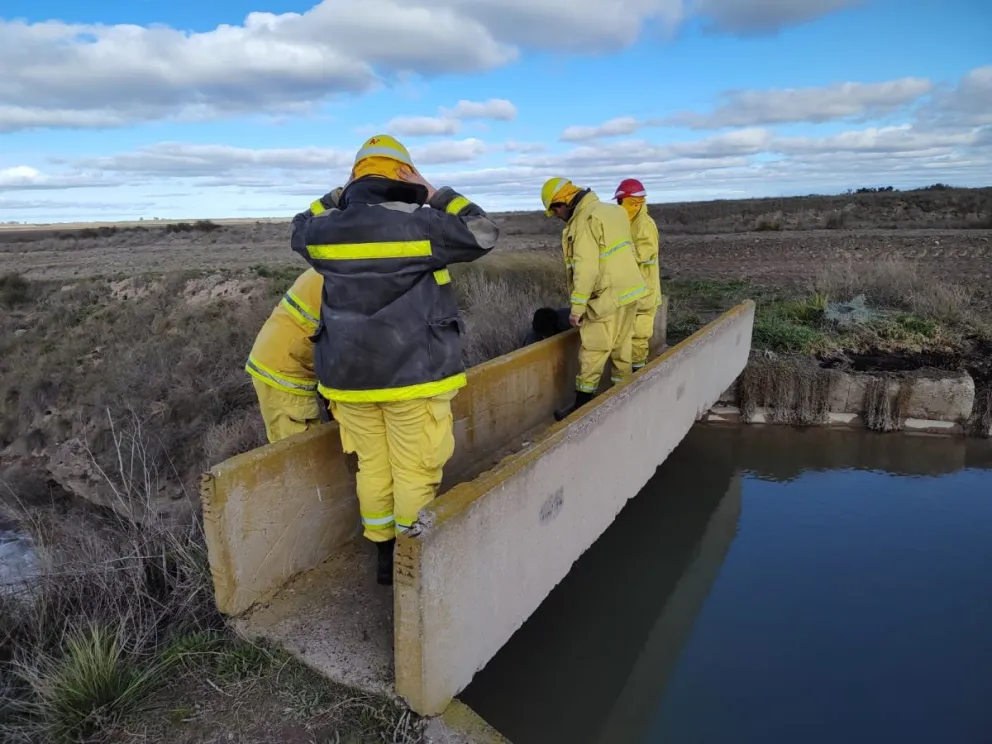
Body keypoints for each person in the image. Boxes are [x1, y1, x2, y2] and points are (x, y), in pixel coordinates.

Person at [292, 134, 499, 585]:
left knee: (373, 467)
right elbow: (483, 233)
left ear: (355, 178)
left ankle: (385, 559)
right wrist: (434, 192)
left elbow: (298, 226)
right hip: (412, 376)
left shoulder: (324, 232)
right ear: (403, 174)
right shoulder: (425, 225)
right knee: (414, 470)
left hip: (347, 379)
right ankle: (413, 566)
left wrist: (333, 196)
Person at [541, 177, 647, 421]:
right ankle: (624, 395)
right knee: (622, 347)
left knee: (593, 352)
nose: (556, 215)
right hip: (629, 292)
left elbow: (586, 270)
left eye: (555, 208)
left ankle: (581, 406)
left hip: (605, 298)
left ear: (563, 201)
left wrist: (577, 308)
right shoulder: (612, 212)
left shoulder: (582, 223)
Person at [246, 188, 342, 443]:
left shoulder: (334, 267)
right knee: (297, 454)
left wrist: (328, 201)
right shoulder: (341, 281)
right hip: (283, 374)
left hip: (290, 360)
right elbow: (339, 356)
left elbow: (301, 221)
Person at [614, 179, 662, 371]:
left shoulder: (644, 225)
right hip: (632, 292)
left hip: (645, 293)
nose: (618, 206)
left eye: (621, 202)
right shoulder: (629, 223)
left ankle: (638, 375)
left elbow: (641, 254)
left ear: (634, 202)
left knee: (639, 338)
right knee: (626, 338)